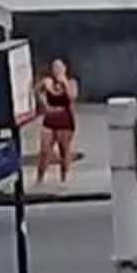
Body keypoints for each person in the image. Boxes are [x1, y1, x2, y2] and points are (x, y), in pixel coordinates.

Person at [33, 59, 80, 187]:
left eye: (59, 67)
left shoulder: (71, 82)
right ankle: (40, 177)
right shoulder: (47, 81)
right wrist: (44, 104)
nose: (57, 70)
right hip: (50, 117)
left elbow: (72, 97)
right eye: (54, 67)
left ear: (65, 68)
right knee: (44, 149)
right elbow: (36, 90)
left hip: (64, 118)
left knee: (64, 149)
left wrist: (63, 81)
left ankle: (64, 177)